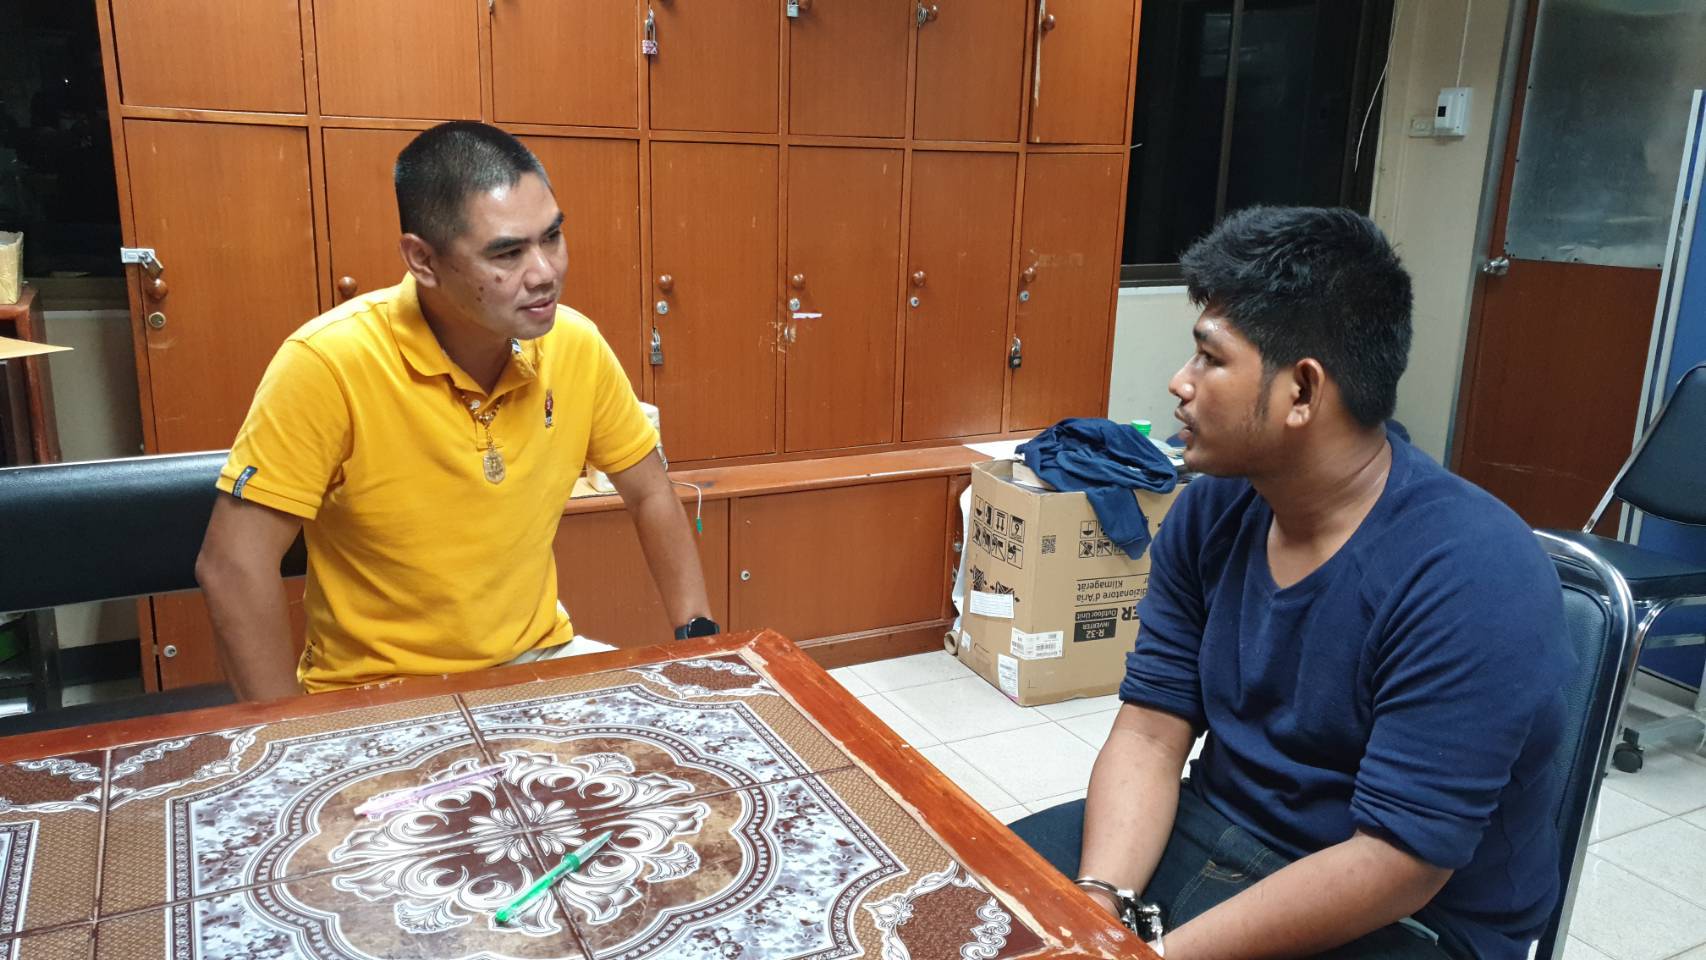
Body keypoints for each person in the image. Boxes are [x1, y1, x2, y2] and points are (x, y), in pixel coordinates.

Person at [1012, 206, 1571, 960]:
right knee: (962, 910)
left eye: (1209, 358)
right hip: (1214, 828)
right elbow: (1150, 730)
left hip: (1404, 914)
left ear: (1302, 392)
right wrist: (1096, 909)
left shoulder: (1473, 574)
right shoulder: (1212, 508)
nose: (1180, 382)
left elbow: (1397, 864)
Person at [196, 121, 716, 701]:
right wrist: (290, 736)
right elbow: (232, 566)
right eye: (508, 252)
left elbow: (650, 493)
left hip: (538, 656)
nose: (545, 272)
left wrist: (696, 637)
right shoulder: (328, 363)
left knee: (700, 734)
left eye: (552, 237)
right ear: (423, 259)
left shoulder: (575, 344)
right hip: (378, 687)